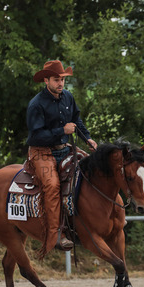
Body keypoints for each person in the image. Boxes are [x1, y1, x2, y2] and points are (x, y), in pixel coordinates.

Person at [26, 60, 97, 257]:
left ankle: (89, 222)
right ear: (46, 80)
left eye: (62, 80)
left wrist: (88, 138)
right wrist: (62, 131)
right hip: (41, 151)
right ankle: (56, 234)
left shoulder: (68, 97)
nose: (60, 83)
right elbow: (36, 135)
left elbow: (76, 120)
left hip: (64, 148)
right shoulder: (36, 104)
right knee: (52, 185)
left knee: (91, 169)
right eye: (56, 80)